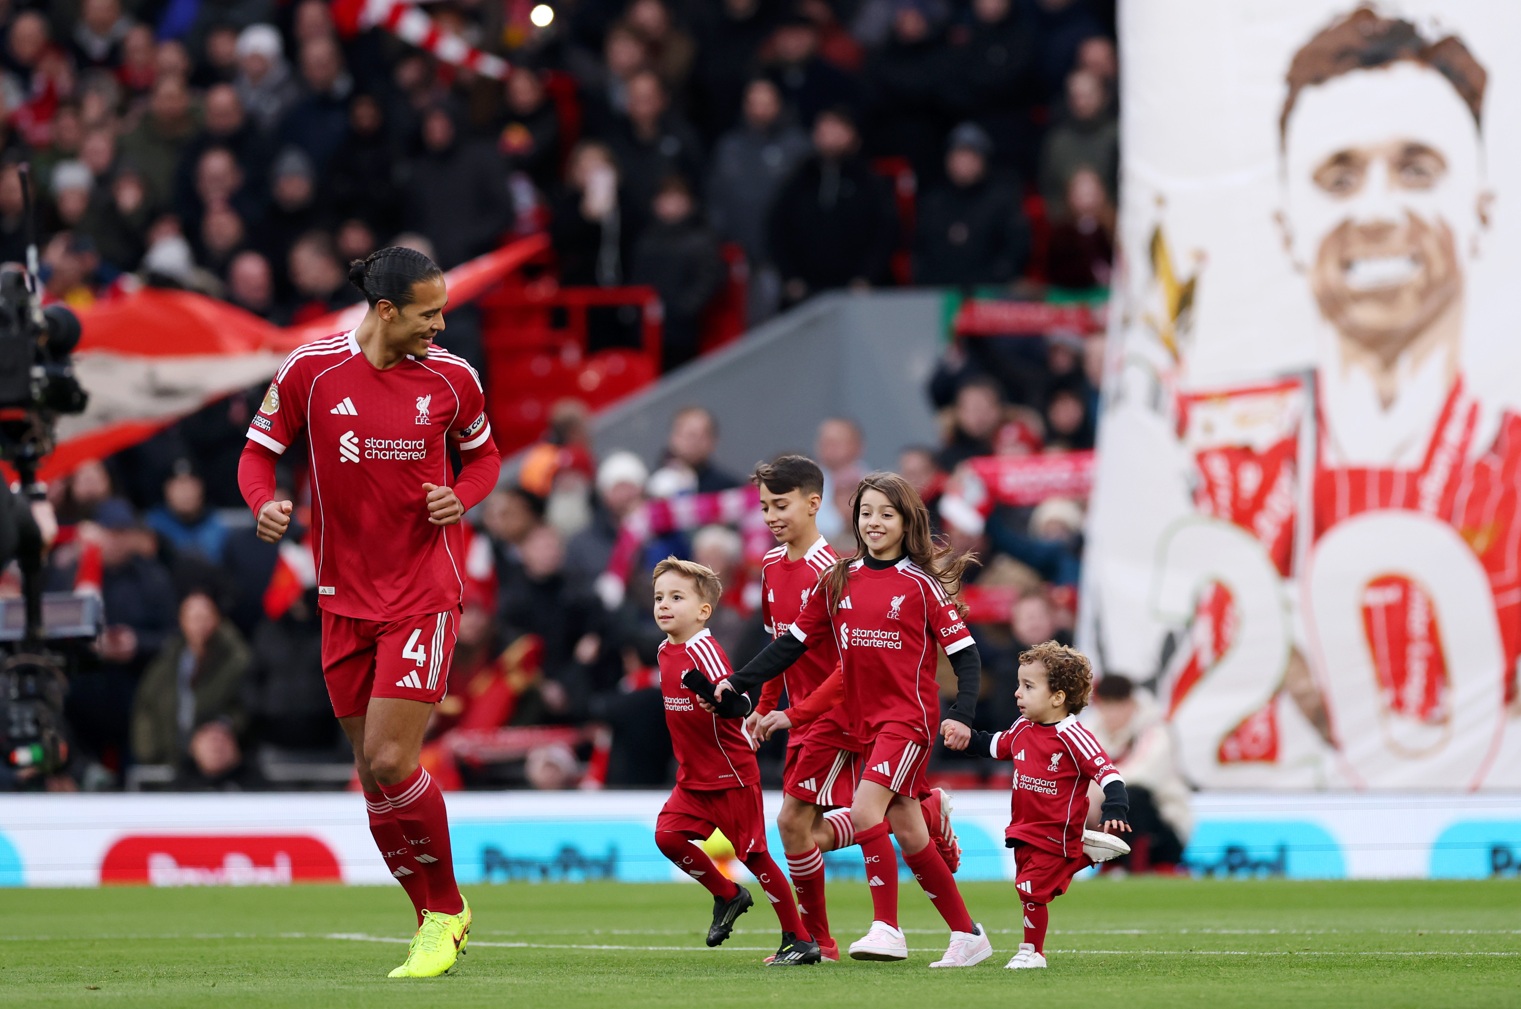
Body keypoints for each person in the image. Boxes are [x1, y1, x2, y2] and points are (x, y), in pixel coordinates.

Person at [237, 246, 501, 978]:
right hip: (341, 596)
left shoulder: (453, 378)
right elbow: (256, 455)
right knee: (371, 772)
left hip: (421, 590)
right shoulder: (309, 370)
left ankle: (446, 908)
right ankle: (427, 918)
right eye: (427, 313)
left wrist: (463, 495)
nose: (440, 324)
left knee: (391, 758)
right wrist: (266, 504)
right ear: (386, 310)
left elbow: (484, 459)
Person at [717, 472, 990, 968]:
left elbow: (966, 655)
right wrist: (739, 681)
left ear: (907, 522)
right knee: (906, 828)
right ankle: (967, 933)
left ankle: (887, 929)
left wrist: (963, 714)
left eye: (887, 513)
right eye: (866, 513)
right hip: (865, 723)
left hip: (907, 720)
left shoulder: (921, 585)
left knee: (867, 812)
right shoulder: (838, 580)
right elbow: (790, 645)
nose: (874, 522)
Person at [649, 557, 821, 966]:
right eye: (658, 597)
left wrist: (723, 703)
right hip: (692, 778)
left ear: (703, 611)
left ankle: (799, 939)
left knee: (755, 856)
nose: (664, 605)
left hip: (730, 775)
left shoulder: (704, 651)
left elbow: (737, 704)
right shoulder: (663, 651)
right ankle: (728, 894)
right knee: (667, 838)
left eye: (676, 597)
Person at [946, 641, 1132, 969]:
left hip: (1055, 831)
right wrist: (965, 737)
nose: (1017, 693)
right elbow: (994, 744)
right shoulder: (1022, 728)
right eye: (1019, 684)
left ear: (1058, 697)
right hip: (1024, 828)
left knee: (1030, 889)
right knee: (1031, 891)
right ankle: (1082, 855)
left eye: (1028, 686)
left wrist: (1114, 809)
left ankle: (1033, 952)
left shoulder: (1074, 737)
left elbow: (1108, 774)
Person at [1084, 674, 1191, 871]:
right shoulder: (1091, 731)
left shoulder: (1156, 730)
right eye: (1106, 705)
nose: (1111, 713)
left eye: (1118, 705)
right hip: (1106, 818)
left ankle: (1137, 866)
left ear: (1131, 704)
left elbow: (1144, 777)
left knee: (1132, 796)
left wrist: (1096, 790)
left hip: (1163, 824)